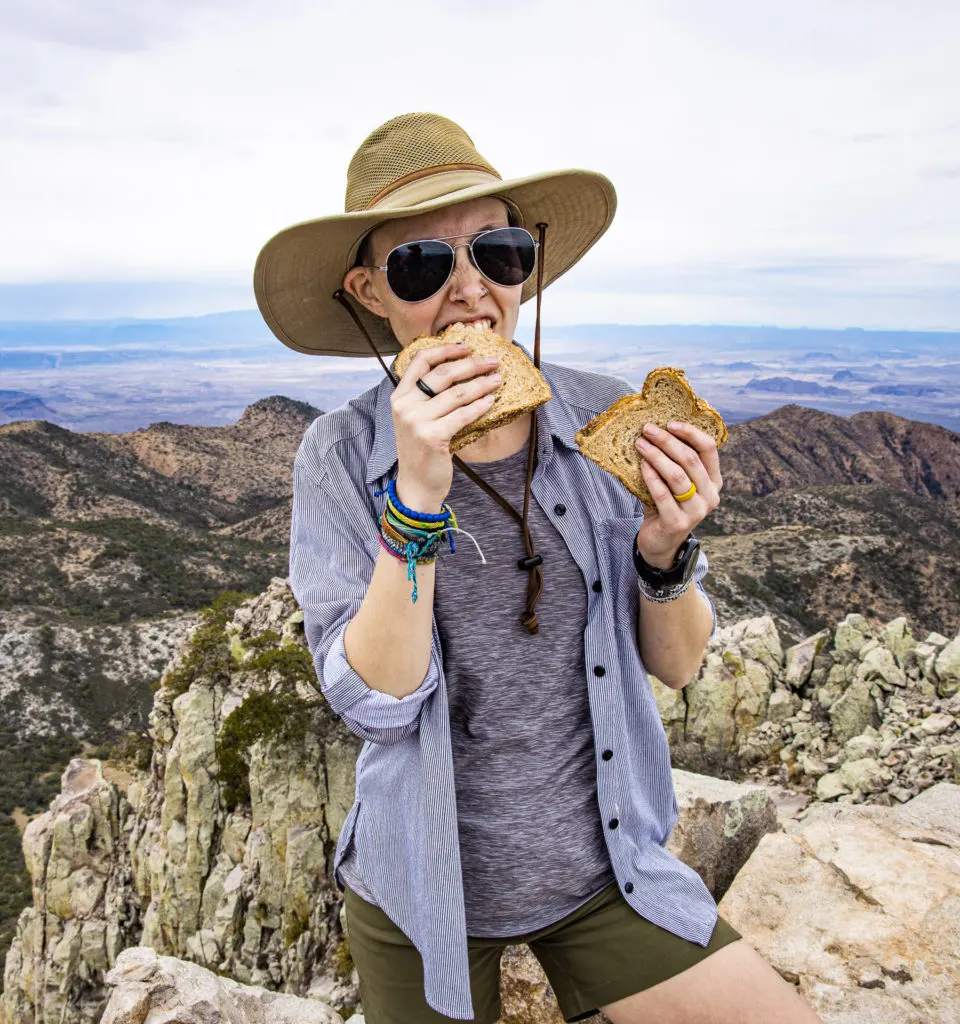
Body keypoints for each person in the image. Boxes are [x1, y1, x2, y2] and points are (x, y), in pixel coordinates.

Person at [253, 113, 822, 1024]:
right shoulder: (337, 456)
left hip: (605, 869)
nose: (472, 291)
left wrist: (664, 552)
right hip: (423, 887)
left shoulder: (606, 422)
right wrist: (418, 497)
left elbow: (676, 665)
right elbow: (378, 702)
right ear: (368, 291)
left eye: (499, 252)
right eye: (422, 266)